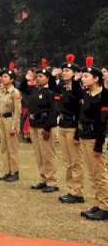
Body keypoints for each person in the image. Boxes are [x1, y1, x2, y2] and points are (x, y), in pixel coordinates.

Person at [76, 57, 108, 220]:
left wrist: (99, 144)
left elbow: (103, 123)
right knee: (92, 173)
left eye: (86, 76)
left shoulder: (103, 96)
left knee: (100, 173)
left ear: (96, 79)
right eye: (82, 76)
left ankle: (105, 207)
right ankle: (98, 202)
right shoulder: (87, 94)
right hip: (85, 136)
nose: (83, 79)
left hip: (95, 138)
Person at [26, 60, 60, 193]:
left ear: (48, 78)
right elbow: (23, 88)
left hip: (45, 126)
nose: (38, 78)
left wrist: (47, 128)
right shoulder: (35, 90)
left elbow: (54, 110)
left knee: (48, 154)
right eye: (37, 76)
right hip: (34, 125)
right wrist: (28, 78)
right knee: (39, 154)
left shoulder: (50, 92)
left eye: (41, 76)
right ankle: (43, 179)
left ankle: (52, 181)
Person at [0, 63, 22, 182]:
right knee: (3, 147)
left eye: (5, 76)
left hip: (10, 119)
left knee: (12, 148)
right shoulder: (0, 91)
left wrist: (14, 126)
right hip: (1, 119)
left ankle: (15, 172)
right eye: (2, 76)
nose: (3, 78)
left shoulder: (15, 93)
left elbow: (17, 112)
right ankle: (7, 171)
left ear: (12, 79)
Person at [57, 54, 85, 204]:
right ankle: (70, 189)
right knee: (67, 161)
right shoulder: (61, 86)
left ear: (75, 73)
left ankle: (78, 192)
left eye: (67, 71)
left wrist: (78, 134)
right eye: (63, 71)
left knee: (76, 161)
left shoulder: (78, 89)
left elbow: (80, 105)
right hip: (62, 125)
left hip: (73, 127)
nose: (64, 73)